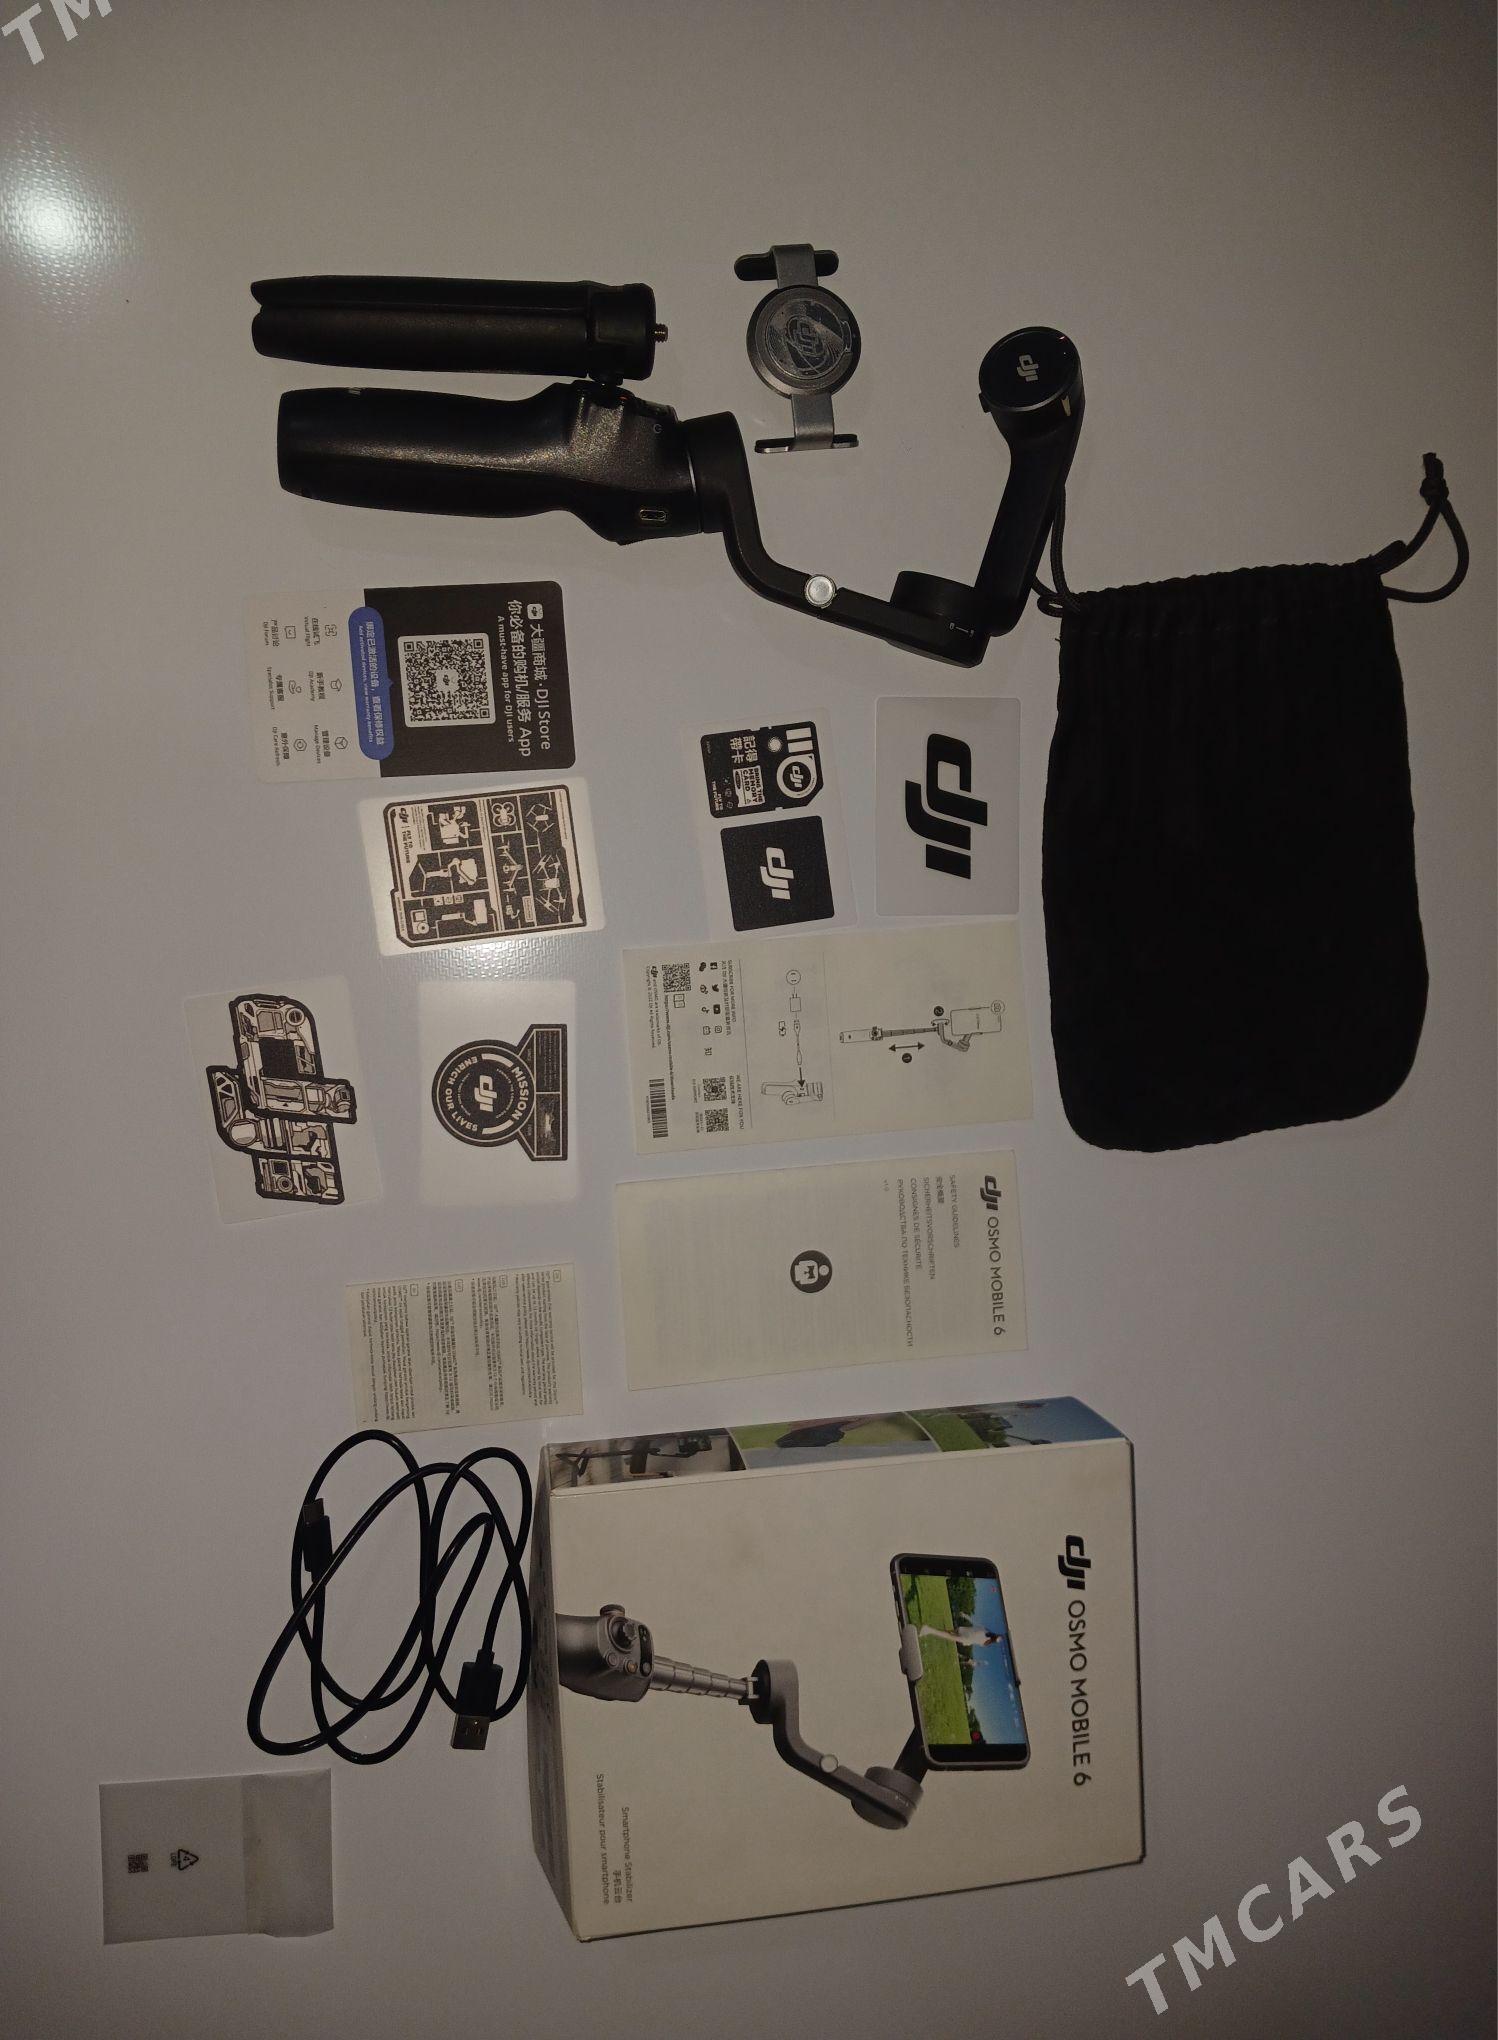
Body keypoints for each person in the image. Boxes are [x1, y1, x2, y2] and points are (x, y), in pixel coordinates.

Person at [917, 1621, 1004, 1651]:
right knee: (947, 1635)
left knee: (947, 1633)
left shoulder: (985, 1630)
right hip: (966, 1638)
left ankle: (928, 1630)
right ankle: (928, 1629)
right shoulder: (986, 1643)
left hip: (965, 1631)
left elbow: (975, 1627)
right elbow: (976, 1641)